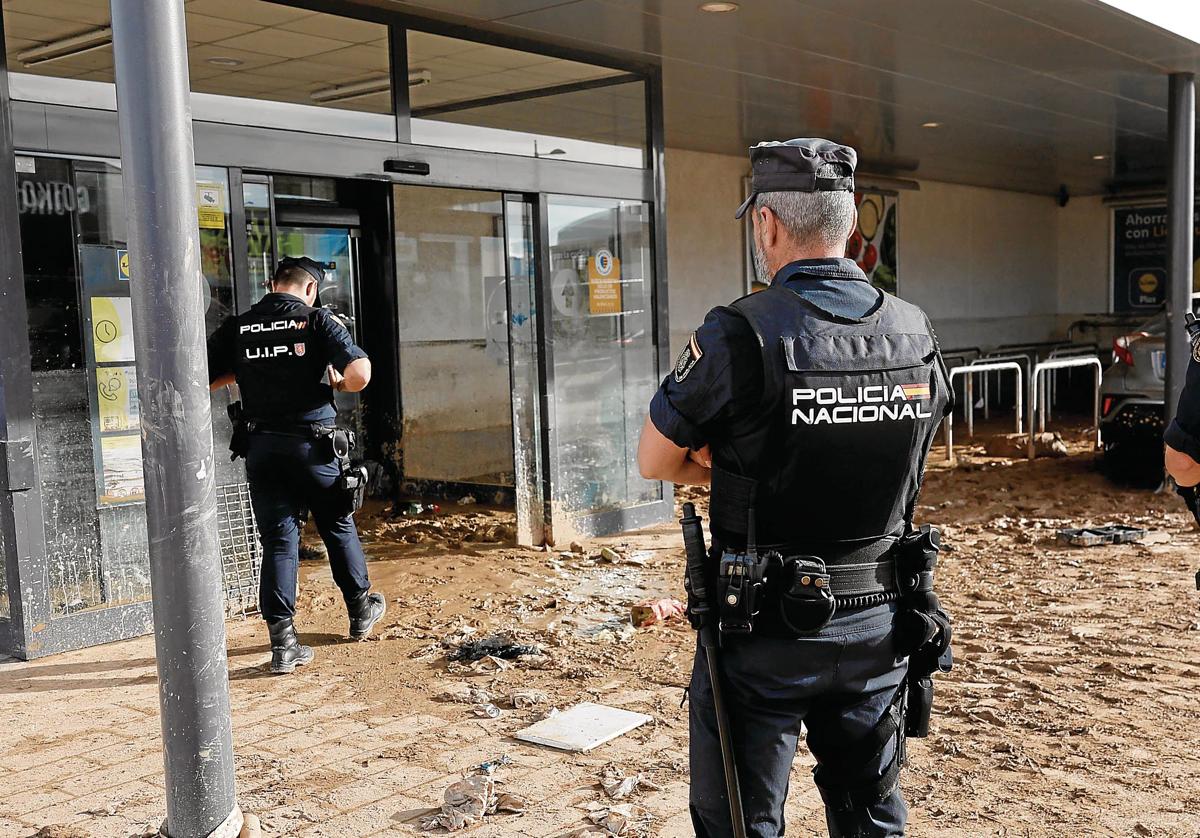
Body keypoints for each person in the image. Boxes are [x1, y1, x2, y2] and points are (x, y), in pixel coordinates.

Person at [638, 138, 953, 837]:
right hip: (879, 621)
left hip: (763, 633)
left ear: (768, 224)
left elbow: (655, 459)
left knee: (744, 826)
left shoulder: (739, 333)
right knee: (870, 818)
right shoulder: (914, 330)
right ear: (850, 226)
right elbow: (910, 458)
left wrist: (744, 462)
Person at [208, 256, 385, 674]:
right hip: (313, 448)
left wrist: (250, 373)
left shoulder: (238, 326)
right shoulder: (317, 320)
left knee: (279, 540)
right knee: (336, 525)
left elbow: (203, 377)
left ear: (271, 283)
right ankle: (360, 611)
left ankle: (283, 645)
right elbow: (360, 372)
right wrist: (339, 382)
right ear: (311, 289)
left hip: (262, 450)